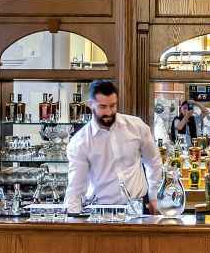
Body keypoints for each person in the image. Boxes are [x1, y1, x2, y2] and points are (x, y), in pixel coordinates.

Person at [63, 80, 162, 214]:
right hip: (101, 211)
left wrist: (155, 196)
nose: (109, 112)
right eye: (102, 106)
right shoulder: (80, 142)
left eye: (112, 106)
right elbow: (76, 187)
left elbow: (153, 161)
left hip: (138, 207)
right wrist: (71, 220)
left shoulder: (136, 126)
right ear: (91, 105)